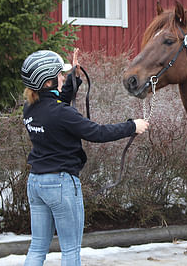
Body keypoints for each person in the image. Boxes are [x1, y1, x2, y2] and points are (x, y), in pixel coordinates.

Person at [21, 49, 149, 266]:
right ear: (48, 82)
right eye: (60, 75)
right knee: (71, 250)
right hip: (61, 184)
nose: (63, 77)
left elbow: (56, 101)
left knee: (37, 248)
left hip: (36, 182)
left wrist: (73, 77)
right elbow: (97, 133)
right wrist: (132, 126)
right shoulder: (62, 114)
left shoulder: (30, 108)